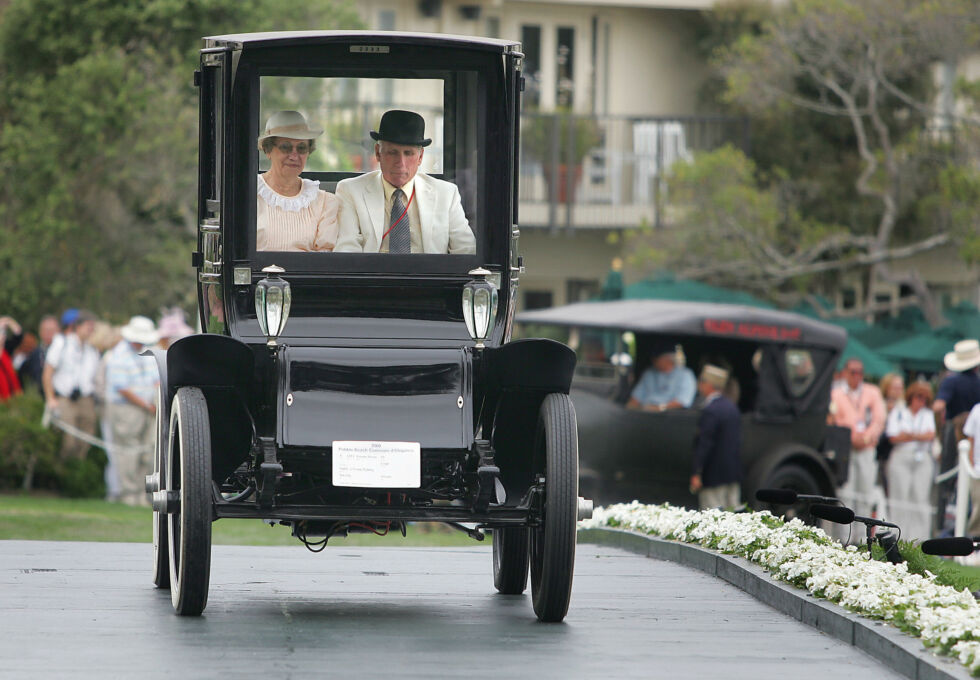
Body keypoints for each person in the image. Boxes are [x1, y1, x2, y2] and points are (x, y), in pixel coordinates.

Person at [334, 110, 477, 254]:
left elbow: (466, 251)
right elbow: (347, 252)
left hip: (430, 275)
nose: (400, 163)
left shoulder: (446, 194)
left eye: (408, 153)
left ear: (420, 157)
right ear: (378, 153)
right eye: (392, 152)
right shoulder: (351, 191)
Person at [257, 110, 340, 252]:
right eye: (285, 147)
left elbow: (325, 259)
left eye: (301, 148)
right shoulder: (247, 194)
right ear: (268, 150)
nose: (294, 156)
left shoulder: (325, 203)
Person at [104, 316, 159, 506]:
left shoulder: (147, 353)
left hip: (148, 408)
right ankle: (129, 494)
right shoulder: (118, 355)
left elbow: (156, 379)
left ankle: (144, 494)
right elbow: (122, 388)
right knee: (128, 451)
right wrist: (145, 405)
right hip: (126, 409)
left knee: (148, 451)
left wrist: (155, 402)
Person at [829, 358, 886, 539]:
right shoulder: (836, 393)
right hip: (845, 448)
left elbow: (879, 420)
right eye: (853, 372)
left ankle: (862, 539)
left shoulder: (872, 392)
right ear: (845, 373)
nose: (856, 376)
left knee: (865, 494)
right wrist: (852, 438)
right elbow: (833, 419)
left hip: (866, 448)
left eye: (860, 372)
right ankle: (844, 538)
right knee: (845, 493)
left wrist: (866, 437)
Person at [42, 309, 100, 460]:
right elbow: (48, 372)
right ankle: (62, 471)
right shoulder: (61, 343)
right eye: (88, 326)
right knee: (68, 440)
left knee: (86, 436)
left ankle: (77, 471)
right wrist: (50, 397)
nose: (91, 330)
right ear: (78, 326)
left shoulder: (92, 350)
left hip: (85, 399)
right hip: (64, 398)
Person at [884, 381, 936, 541]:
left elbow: (930, 435)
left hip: (921, 457)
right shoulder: (899, 412)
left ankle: (919, 540)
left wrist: (909, 435)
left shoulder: (927, 414)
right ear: (911, 397)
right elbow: (893, 436)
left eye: (924, 399)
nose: (921, 402)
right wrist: (917, 436)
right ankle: (897, 538)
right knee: (900, 498)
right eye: (918, 397)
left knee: (920, 499)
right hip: (901, 456)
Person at [690, 364, 742, 509]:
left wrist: (696, 472)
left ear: (708, 385)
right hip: (732, 473)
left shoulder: (710, 410)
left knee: (712, 515)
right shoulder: (732, 407)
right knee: (732, 513)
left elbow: (704, 443)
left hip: (713, 475)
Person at [627, 345, 696, 411]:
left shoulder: (685, 375)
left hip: (672, 417)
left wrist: (659, 408)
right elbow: (635, 399)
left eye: (657, 358)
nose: (653, 360)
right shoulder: (649, 373)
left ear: (668, 359)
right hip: (645, 415)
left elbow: (682, 401)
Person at [18, 315, 59, 390]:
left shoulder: (65, 353)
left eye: (52, 330)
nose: (49, 334)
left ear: (58, 331)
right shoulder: (34, 354)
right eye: (46, 330)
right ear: (40, 332)